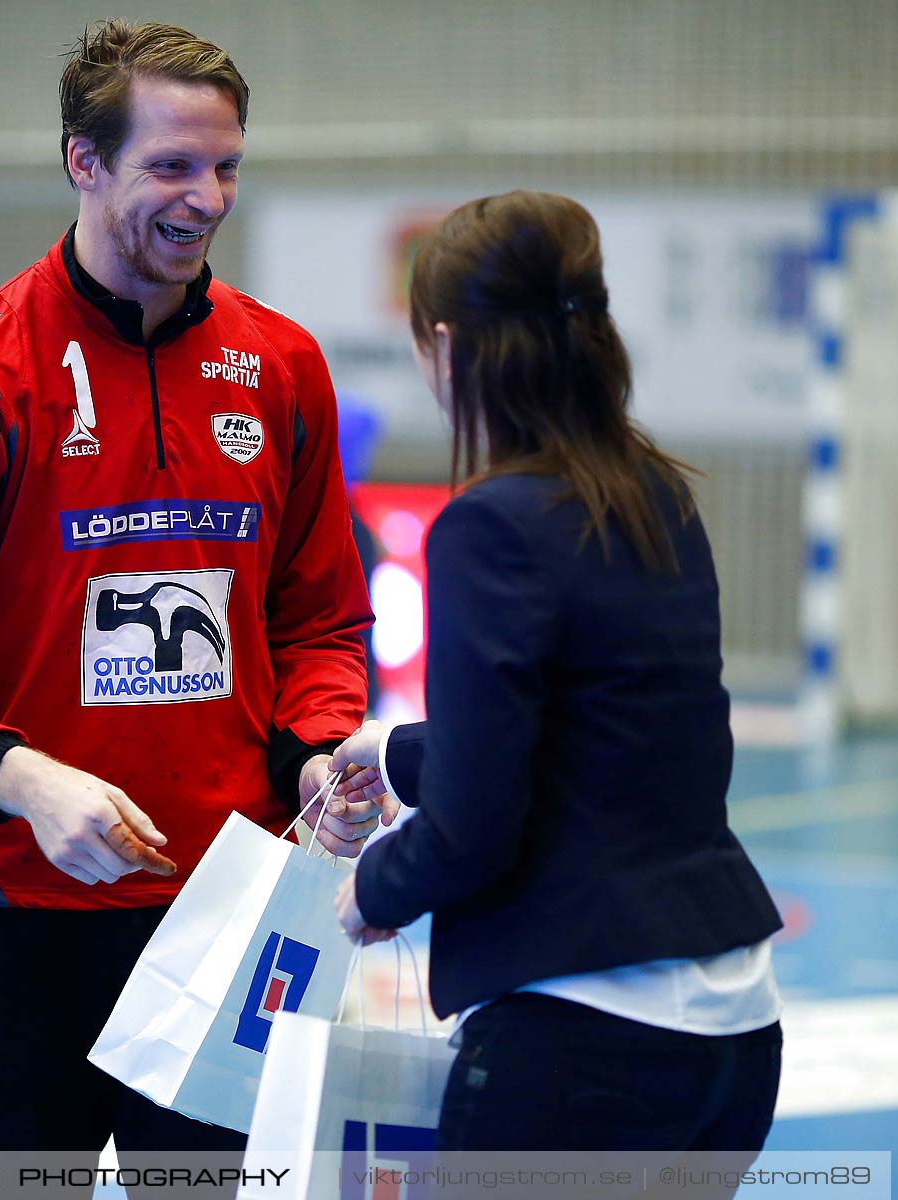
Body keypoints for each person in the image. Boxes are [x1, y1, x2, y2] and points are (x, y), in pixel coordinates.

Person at [0, 19, 381, 1174]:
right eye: (173, 166)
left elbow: (321, 619)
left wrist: (320, 752)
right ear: (85, 163)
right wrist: (20, 779)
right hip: (7, 926)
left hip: (230, 919)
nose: (210, 196)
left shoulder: (282, 367)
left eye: (227, 164)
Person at [328, 192, 785, 1168]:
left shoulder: (490, 524)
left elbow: (475, 828)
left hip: (584, 1040)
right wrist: (393, 751)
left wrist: (375, 888)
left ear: (445, 346)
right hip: (738, 1036)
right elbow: (596, 733)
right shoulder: (657, 492)